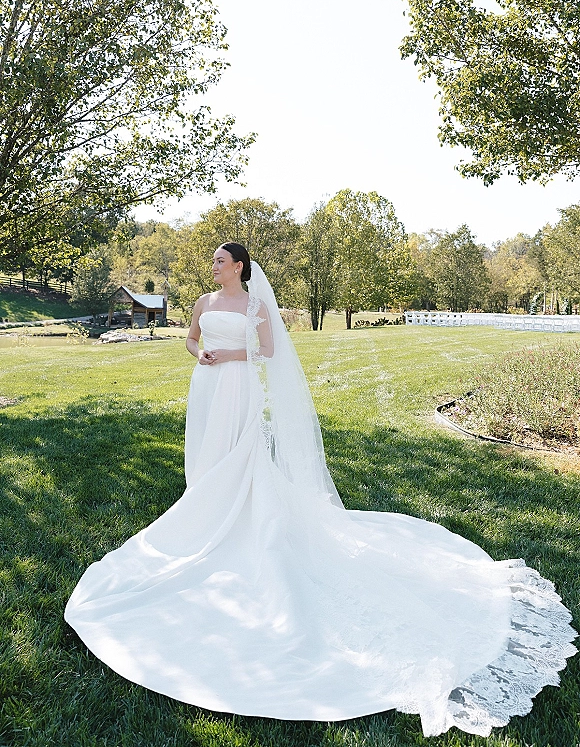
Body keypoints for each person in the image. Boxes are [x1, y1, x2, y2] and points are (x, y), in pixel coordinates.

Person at [65, 243, 576, 738]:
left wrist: (230, 354)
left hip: (240, 384)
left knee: (242, 455)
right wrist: (202, 354)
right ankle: (206, 507)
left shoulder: (256, 303)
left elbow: (266, 351)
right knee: (206, 455)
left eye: (221, 260)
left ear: (240, 267)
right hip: (209, 386)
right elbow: (190, 340)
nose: (214, 266)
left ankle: (238, 514)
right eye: (214, 261)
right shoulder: (202, 302)